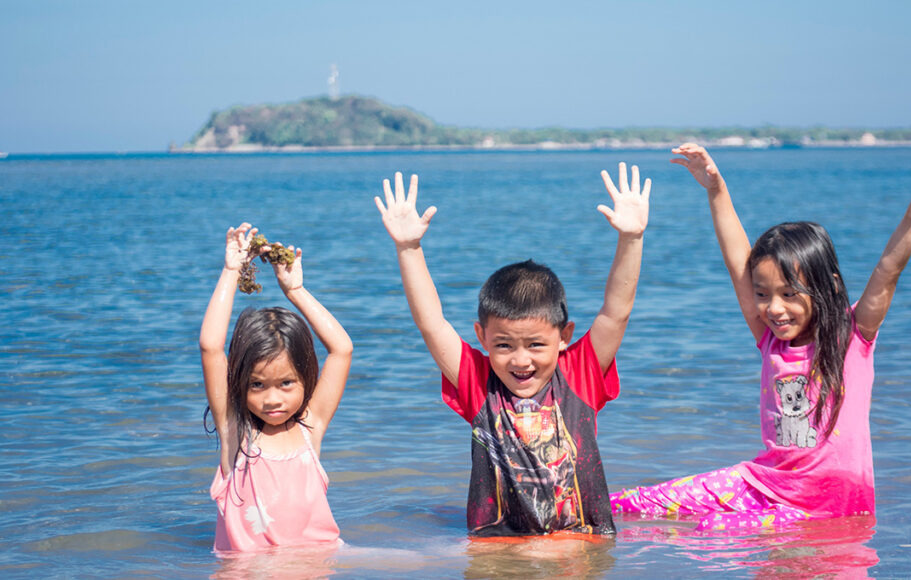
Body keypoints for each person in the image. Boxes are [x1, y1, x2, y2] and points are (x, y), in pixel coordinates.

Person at [610, 143, 911, 532]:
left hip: (829, 505)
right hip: (765, 483)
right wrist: (715, 188)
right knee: (633, 504)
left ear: (826, 287)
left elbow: (888, 269)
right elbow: (736, 262)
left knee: (712, 530)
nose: (774, 308)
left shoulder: (853, 336)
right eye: (763, 295)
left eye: (789, 294)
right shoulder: (770, 340)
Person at [374, 163, 650, 536]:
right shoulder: (478, 383)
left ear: (565, 335)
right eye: (503, 345)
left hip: (577, 544)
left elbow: (616, 313)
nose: (521, 360)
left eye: (536, 345)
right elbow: (431, 323)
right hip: (498, 550)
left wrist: (631, 238)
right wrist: (408, 248)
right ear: (481, 337)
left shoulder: (579, 373)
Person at [199, 223, 353, 551]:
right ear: (239, 382)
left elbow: (342, 349)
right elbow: (211, 347)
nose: (272, 399)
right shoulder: (235, 433)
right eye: (257, 385)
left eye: (286, 383)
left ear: (305, 378)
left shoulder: (310, 428)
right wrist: (230, 271)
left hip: (317, 567)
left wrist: (295, 291)